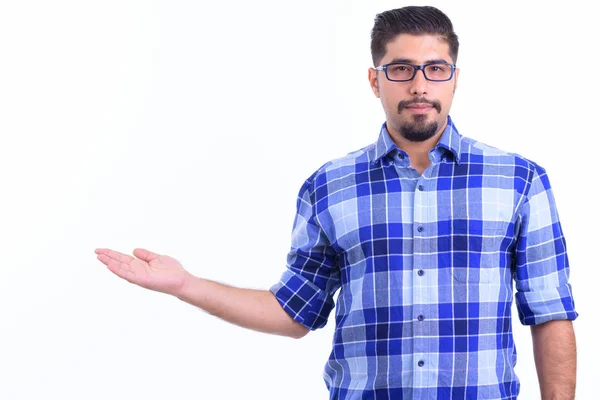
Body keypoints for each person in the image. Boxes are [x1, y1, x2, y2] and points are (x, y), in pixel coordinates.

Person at [95, 5, 578, 399]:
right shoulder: (329, 186)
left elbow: (550, 312)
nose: (418, 85)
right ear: (375, 80)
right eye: (401, 69)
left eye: (435, 69)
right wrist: (185, 284)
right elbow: (294, 313)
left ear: (454, 78)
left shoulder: (519, 180)